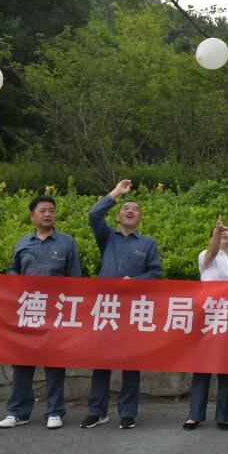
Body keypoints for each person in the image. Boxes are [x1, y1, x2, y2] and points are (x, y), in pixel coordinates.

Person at [81, 179, 163, 431]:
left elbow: (155, 274)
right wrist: (116, 193)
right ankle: (97, 411)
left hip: (133, 310)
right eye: (126, 208)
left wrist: (135, 282)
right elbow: (94, 215)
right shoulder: (107, 237)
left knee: (131, 363)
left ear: (140, 219)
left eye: (135, 210)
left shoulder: (147, 243)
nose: (130, 211)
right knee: (101, 361)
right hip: (106, 308)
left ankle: (127, 412)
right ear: (117, 217)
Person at [0, 195, 81, 430]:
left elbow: (75, 279)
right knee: (22, 362)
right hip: (28, 310)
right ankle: (18, 412)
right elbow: (12, 271)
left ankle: (54, 411)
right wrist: (16, 280)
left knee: (54, 362)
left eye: (51, 211)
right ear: (32, 216)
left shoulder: (66, 242)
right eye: (42, 211)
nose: (47, 214)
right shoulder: (22, 243)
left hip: (55, 311)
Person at [185, 215, 228, 432]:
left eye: (227, 231)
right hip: (207, 318)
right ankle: (194, 415)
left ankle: (223, 416)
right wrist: (216, 231)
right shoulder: (207, 256)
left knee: (225, 368)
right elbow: (212, 251)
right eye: (220, 232)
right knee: (201, 368)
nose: (224, 233)